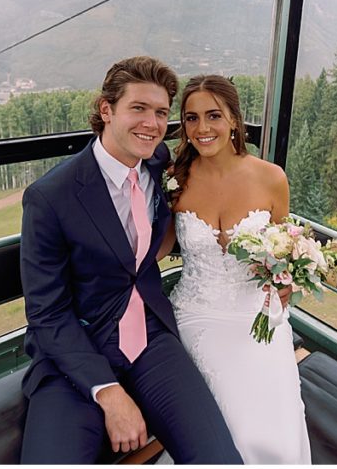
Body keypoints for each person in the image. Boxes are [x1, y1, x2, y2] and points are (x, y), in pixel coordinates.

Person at [19, 56, 242, 464]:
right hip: (76, 352)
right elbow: (47, 315)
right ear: (106, 110)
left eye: (160, 113)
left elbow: (216, 190)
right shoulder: (50, 197)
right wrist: (108, 392)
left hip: (151, 339)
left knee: (219, 459)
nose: (152, 124)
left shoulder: (160, 166)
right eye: (138, 108)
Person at [157, 74, 312, 464]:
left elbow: (283, 247)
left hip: (257, 314)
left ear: (234, 121)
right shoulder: (176, 181)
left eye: (213, 116)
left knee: (267, 423)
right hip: (196, 314)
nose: (202, 128)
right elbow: (155, 248)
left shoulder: (271, 178)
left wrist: (286, 281)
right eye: (191, 118)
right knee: (224, 422)